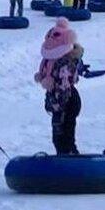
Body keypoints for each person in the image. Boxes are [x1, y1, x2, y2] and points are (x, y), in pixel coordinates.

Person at [35, 19, 84, 155]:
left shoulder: (65, 63)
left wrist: (57, 106)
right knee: (58, 136)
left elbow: (64, 87)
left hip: (66, 101)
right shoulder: (50, 61)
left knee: (65, 135)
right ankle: (64, 155)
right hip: (57, 99)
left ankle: (69, 157)